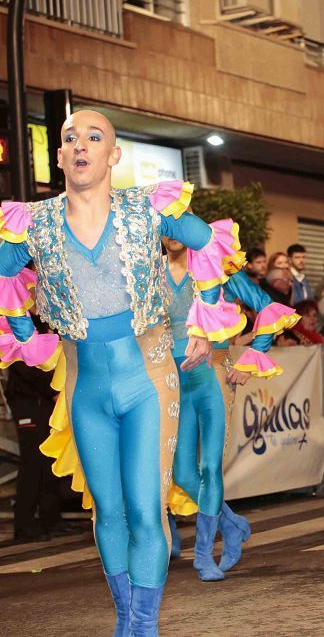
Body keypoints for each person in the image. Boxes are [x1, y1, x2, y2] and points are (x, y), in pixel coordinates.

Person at [0, 109, 239, 634]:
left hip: (149, 382)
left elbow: (210, 247)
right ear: (58, 156)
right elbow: (3, 274)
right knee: (106, 514)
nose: (80, 145)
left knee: (146, 511)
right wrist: (23, 337)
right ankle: (126, 620)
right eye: (69, 138)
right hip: (86, 388)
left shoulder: (149, 209)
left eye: (93, 136)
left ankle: (145, 627)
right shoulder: (33, 223)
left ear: (114, 154)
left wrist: (205, 322)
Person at [163, 237, 297, 581]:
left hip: (213, 376)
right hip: (171, 380)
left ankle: (205, 555)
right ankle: (233, 524)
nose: (173, 232)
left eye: (181, 222)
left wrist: (251, 360)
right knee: (182, 475)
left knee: (209, 466)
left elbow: (266, 307)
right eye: (166, 225)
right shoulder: (150, 270)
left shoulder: (218, 267)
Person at [6, 317, 66, 542]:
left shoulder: (46, 323)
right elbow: (25, 366)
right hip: (28, 400)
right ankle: (24, 524)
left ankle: (51, 518)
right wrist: (53, 390)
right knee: (32, 462)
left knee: (49, 459)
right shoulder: (17, 323)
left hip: (46, 401)